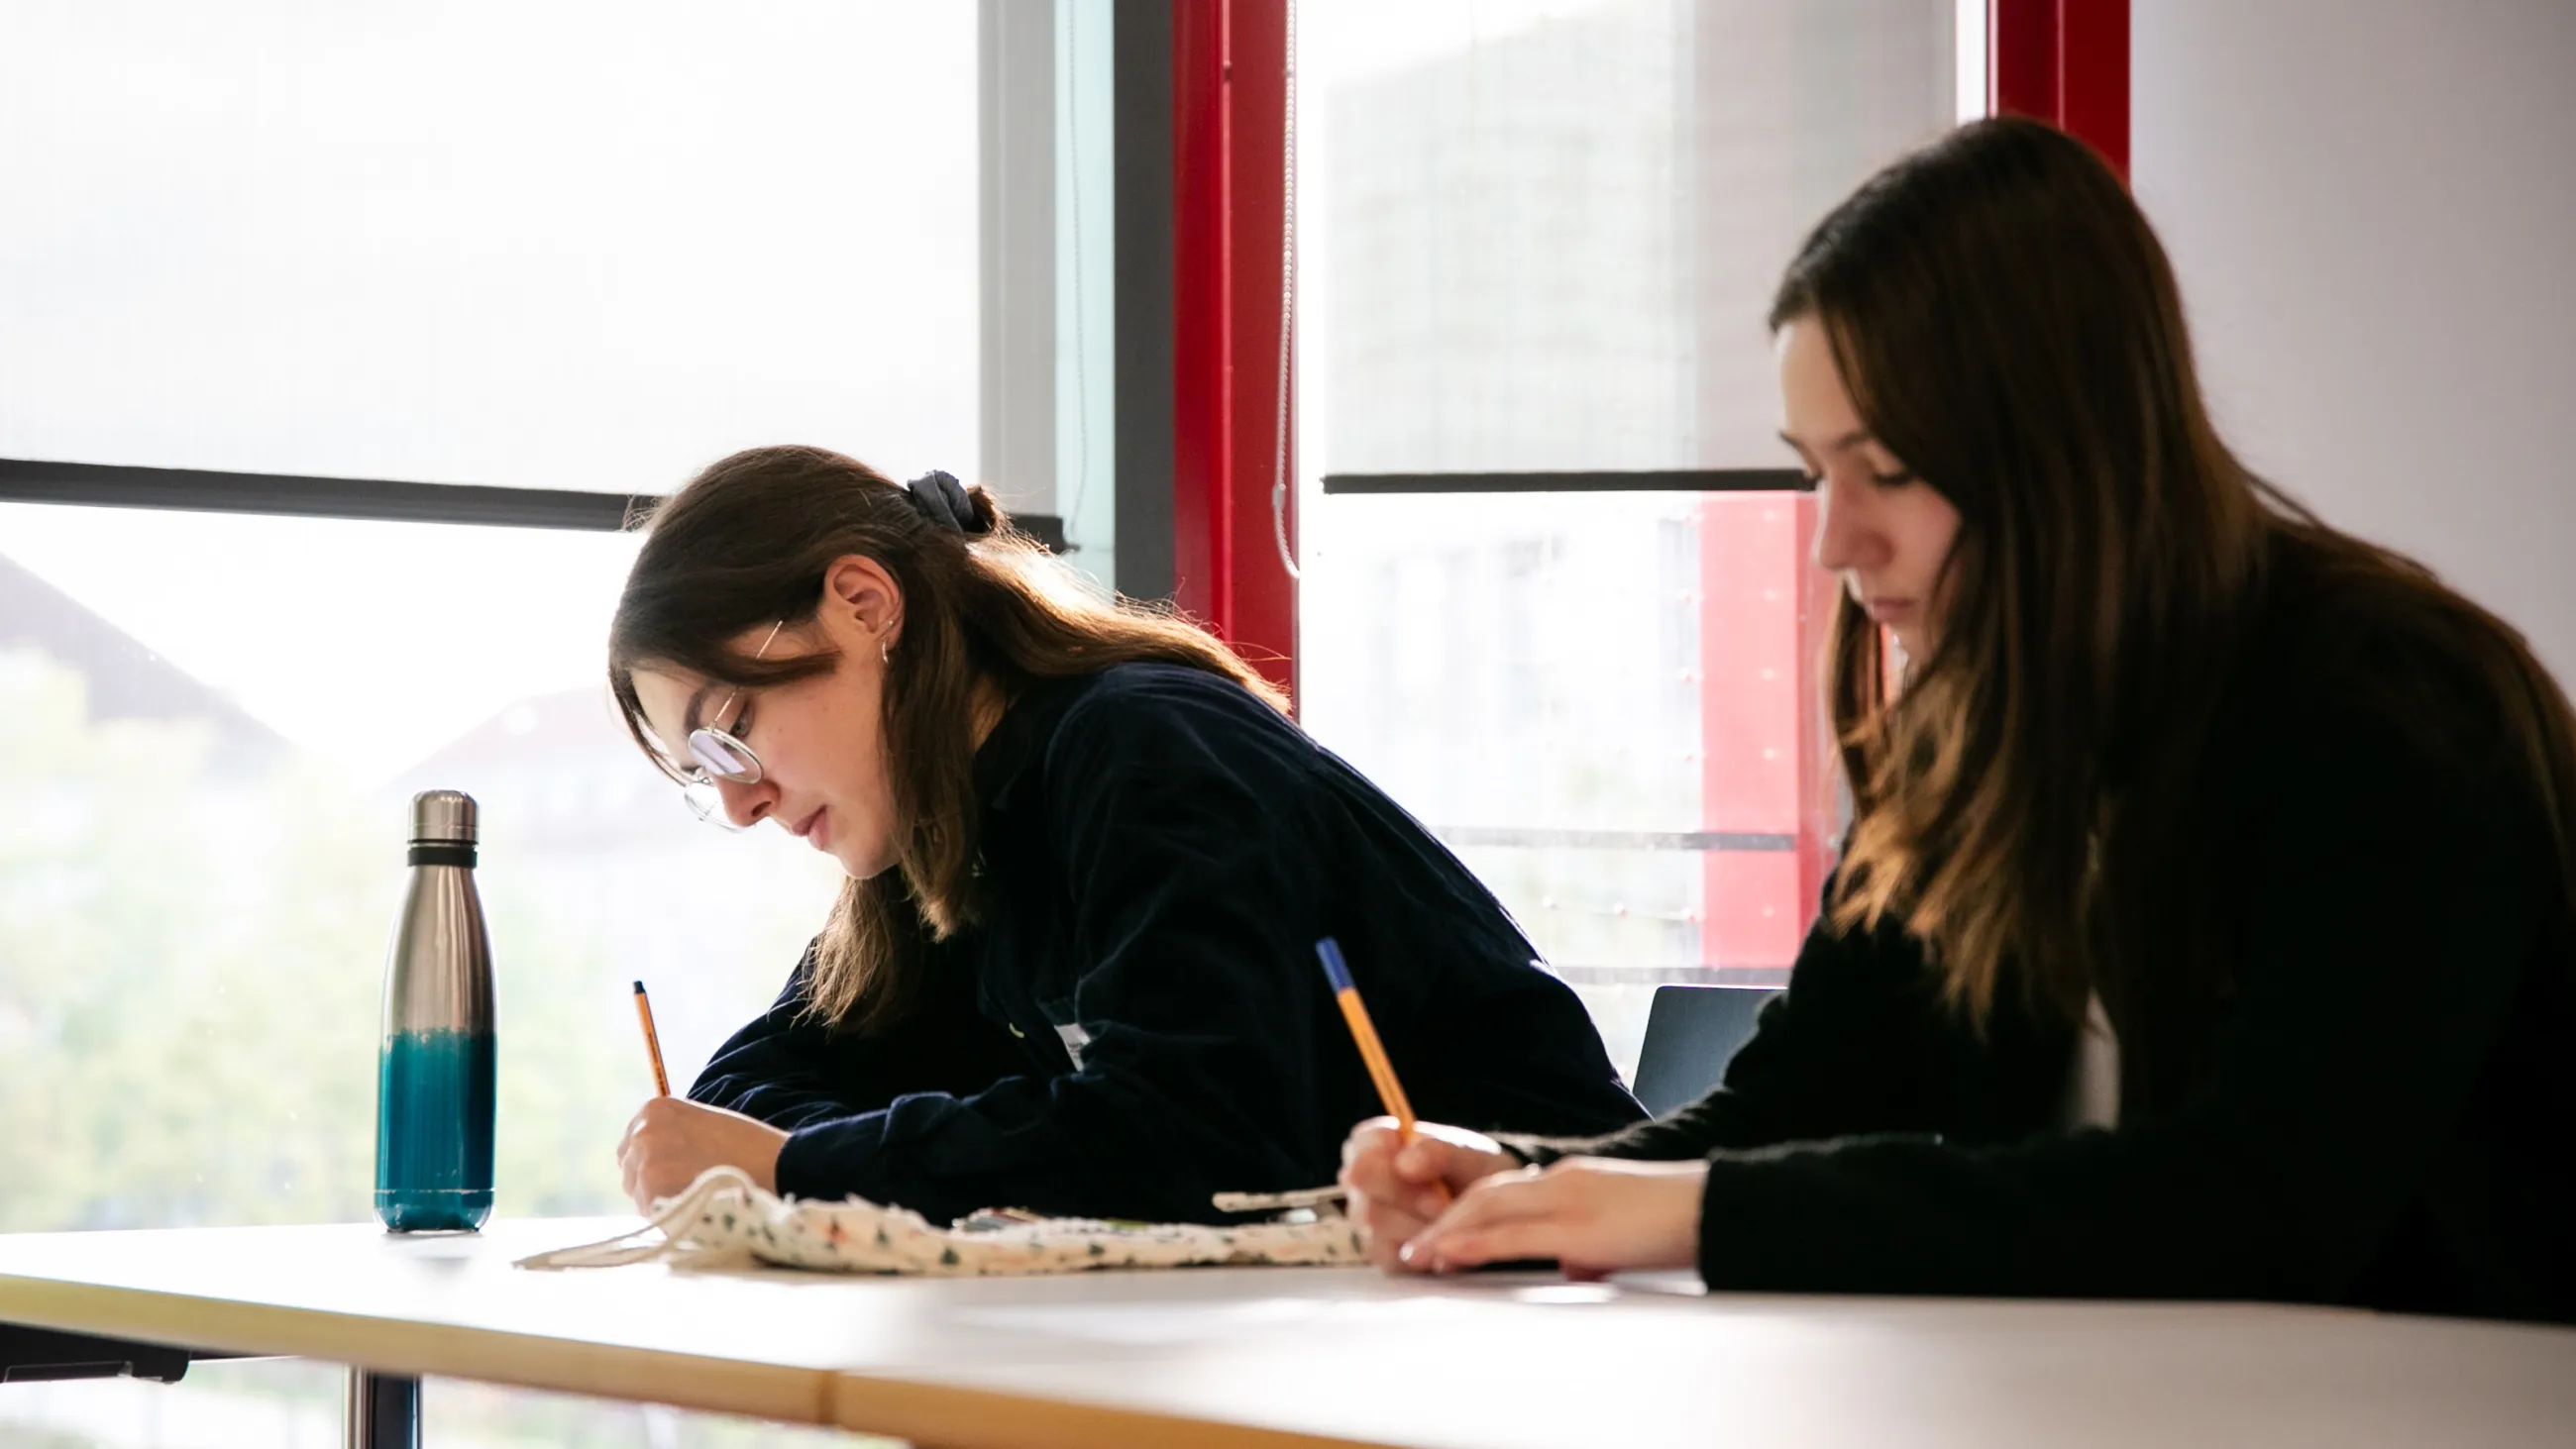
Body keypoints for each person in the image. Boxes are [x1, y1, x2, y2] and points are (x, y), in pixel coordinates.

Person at [1339, 117, 2576, 1323]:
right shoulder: (1972, 724)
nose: (1835, 541)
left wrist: (1692, 1211)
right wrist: (1532, 1192)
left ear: (2062, 448)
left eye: (1887, 469)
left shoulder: (2388, 708)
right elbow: (1798, 1099)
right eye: (1813, 470)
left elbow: (2261, 1199)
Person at [605, 446, 1644, 1224]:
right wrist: (1008, 1130)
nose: (739, 803)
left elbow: (1196, 1137)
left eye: (730, 731)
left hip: (1552, 1300)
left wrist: (798, 1166)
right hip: (1346, 1310)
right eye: (705, 778)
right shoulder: (941, 836)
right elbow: (746, 1087)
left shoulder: (1144, 748)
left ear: (863, 604)